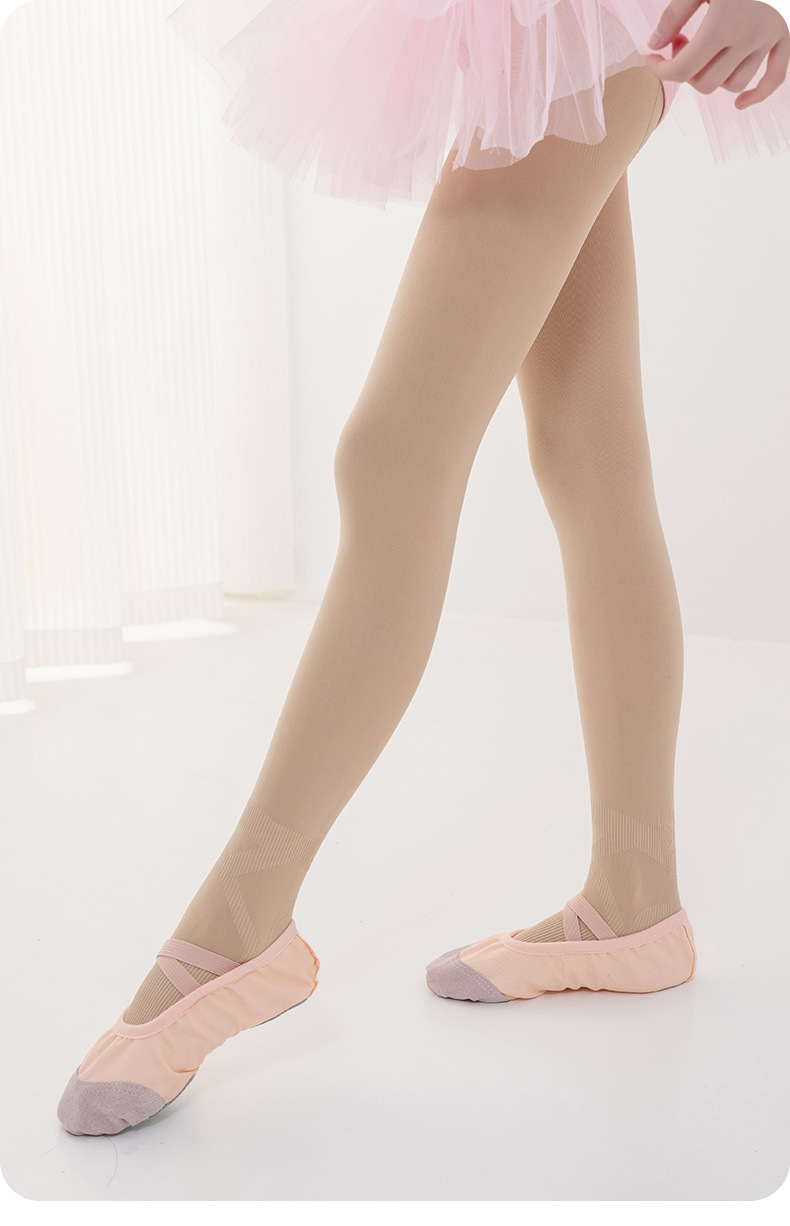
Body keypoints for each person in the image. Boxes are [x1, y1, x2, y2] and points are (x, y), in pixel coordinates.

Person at [58, 0, 790, 1135]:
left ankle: (241, 923)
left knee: (392, 459)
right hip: (541, 27)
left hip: (579, 22)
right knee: (589, 455)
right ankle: (635, 897)